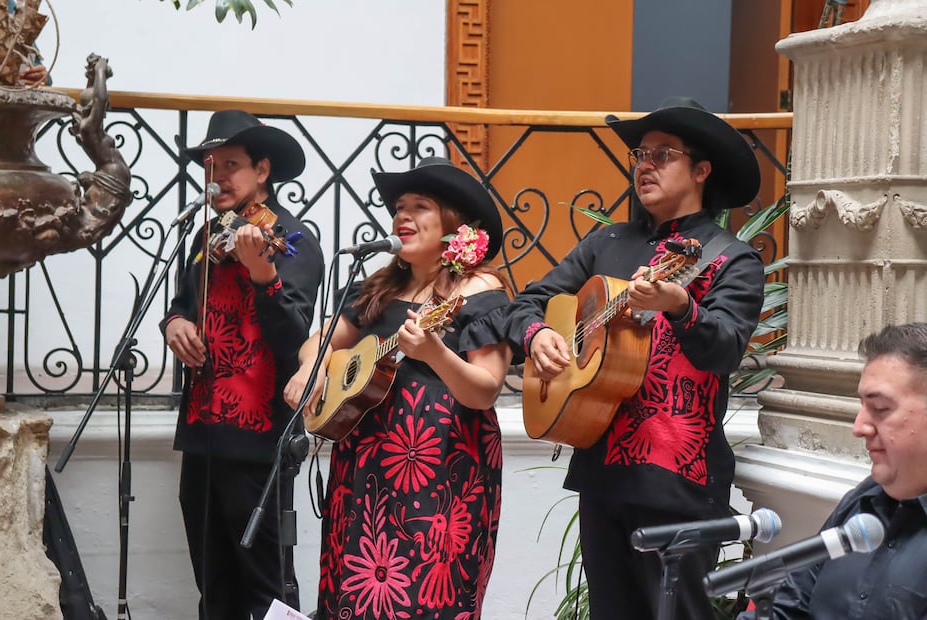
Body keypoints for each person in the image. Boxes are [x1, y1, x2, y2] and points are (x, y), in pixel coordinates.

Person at [503, 96, 766, 619]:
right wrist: (536, 335)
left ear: (701, 170)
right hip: (603, 466)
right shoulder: (607, 244)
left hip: (680, 477)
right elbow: (524, 304)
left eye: (662, 154)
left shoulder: (730, 258)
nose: (644, 165)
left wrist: (682, 308)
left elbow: (726, 349)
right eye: (639, 155)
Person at [283, 157, 511, 619]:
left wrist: (436, 354)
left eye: (419, 206)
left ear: (456, 225)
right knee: (354, 593)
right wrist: (311, 367)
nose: (401, 217)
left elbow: (485, 390)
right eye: (399, 207)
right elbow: (321, 341)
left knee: (425, 597)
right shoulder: (381, 287)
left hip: (442, 468)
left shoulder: (480, 289)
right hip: (365, 464)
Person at [160, 109, 323, 620]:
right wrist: (173, 324)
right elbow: (183, 303)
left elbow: (295, 340)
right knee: (213, 586)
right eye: (210, 166)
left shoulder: (294, 241)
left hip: (260, 444)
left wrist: (261, 274)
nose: (218, 177)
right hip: (202, 431)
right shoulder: (206, 237)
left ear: (263, 170)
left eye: (231, 164)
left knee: (267, 588)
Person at [737, 322, 927, 620]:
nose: (859, 427)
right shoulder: (863, 500)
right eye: (861, 406)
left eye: (880, 408)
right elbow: (789, 605)